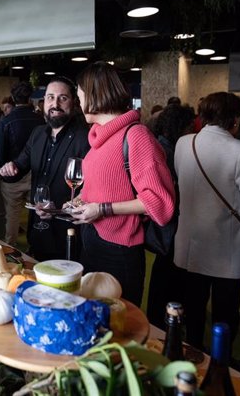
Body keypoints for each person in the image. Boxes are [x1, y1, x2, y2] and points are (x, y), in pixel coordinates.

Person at [69, 62, 175, 306]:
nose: (78, 102)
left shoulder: (135, 136)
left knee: (120, 325)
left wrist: (102, 209)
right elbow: (107, 184)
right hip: (92, 240)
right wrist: (81, 199)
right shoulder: (99, 136)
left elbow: (159, 201)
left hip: (119, 250)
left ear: (95, 95)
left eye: (80, 95)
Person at [173, 92, 240, 356]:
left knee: (194, 306)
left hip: (189, 241)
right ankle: (221, 361)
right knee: (225, 311)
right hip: (226, 245)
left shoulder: (184, 144)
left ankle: (194, 352)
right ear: (236, 119)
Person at [0, 76, 90, 260]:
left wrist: (61, 209)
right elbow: (20, 166)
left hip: (70, 233)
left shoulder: (84, 138)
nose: (55, 103)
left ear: (73, 102)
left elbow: (92, 188)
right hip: (38, 230)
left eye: (62, 98)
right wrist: (9, 169)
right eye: (50, 97)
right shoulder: (38, 133)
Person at [145, 103, 195, 329]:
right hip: (171, 224)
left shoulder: (161, 145)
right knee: (170, 275)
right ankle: (165, 323)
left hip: (164, 225)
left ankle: (160, 319)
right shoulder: (172, 152)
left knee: (163, 275)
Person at [0, 82, 45, 246]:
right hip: (36, 173)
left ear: (13, 98)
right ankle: (35, 245)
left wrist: (1, 169)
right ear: (30, 98)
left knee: (12, 215)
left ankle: (11, 248)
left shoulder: (7, 120)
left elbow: (0, 153)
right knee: (38, 213)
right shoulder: (40, 120)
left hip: (12, 173)